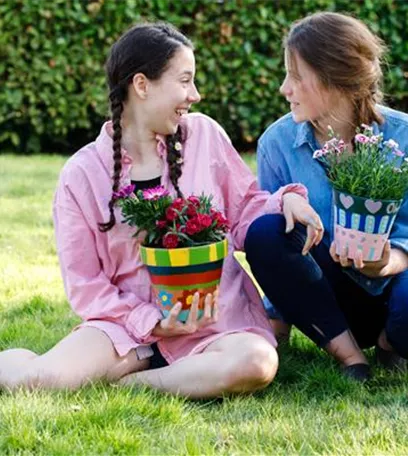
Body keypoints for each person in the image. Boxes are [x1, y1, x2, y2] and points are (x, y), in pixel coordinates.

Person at [0, 23, 323, 397]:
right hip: (126, 326)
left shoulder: (204, 136)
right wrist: (152, 322)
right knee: (40, 382)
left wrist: (284, 200)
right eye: (185, 81)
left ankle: (133, 384)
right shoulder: (82, 174)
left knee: (256, 362)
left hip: (214, 321)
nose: (195, 95)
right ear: (142, 85)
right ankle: (31, 361)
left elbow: (244, 207)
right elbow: (86, 285)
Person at [245, 12, 408, 381]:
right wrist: (276, 319)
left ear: (336, 79)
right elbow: (277, 248)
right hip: (325, 300)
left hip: (392, 289)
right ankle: (351, 357)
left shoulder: (403, 137)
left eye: (296, 77)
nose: (284, 89)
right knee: (266, 229)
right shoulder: (278, 143)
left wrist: (385, 262)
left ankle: (389, 343)